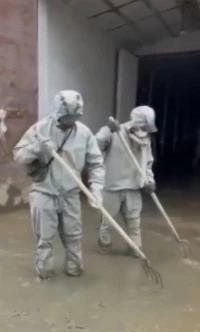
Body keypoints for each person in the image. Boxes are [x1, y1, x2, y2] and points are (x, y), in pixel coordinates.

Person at [13, 90, 105, 279]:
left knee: (74, 237)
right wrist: (38, 148)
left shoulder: (84, 133)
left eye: (75, 117)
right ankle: (44, 273)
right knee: (44, 238)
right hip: (44, 192)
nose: (71, 121)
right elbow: (19, 155)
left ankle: (74, 270)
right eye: (67, 117)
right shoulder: (40, 129)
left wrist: (96, 188)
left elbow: (96, 163)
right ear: (59, 112)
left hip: (71, 194)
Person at [96, 106, 157, 254]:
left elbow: (147, 162)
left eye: (147, 128)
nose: (145, 131)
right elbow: (95, 145)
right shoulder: (115, 132)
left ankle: (135, 247)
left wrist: (150, 179)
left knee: (134, 220)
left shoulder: (146, 139)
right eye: (143, 127)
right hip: (112, 185)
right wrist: (107, 130)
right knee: (108, 220)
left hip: (134, 186)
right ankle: (104, 242)